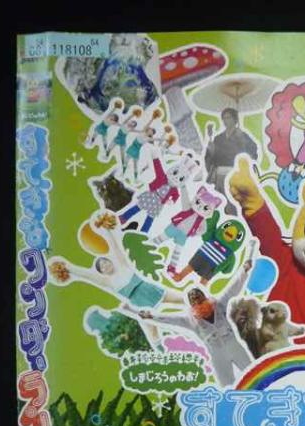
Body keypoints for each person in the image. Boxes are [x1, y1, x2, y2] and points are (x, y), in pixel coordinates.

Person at [48, 210, 183, 350]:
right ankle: (162, 352)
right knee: (152, 330)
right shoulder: (108, 282)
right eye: (102, 267)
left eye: (105, 262)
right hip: (137, 302)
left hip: (147, 288)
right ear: (102, 273)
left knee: (179, 299)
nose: (105, 266)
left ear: (111, 261)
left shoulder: (122, 265)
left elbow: (115, 246)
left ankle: (196, 307)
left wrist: (106, 229)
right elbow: (86, 275)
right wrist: (69, 269)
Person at [128, 260, 254, 387]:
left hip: (233, 344)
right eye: (194, 301)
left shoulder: (219, 305)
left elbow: (232, 289)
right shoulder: (191, 321)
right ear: (192, 306)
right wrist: (151, 316)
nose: (198, 301)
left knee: (253, 373)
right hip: (217, 352)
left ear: (205, 297)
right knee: (226, 385)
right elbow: (171, 319)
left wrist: (244, 270)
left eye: (199, 298)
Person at [204, 108, 258, 214]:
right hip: (220, 174)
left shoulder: (242, 136)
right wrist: (211, 151)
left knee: (233, 202)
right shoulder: (218, 138)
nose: (225, 120)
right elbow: (211, 158)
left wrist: (242, 143)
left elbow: (252, 152)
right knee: (220, 201)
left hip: (235, 174)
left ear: (235, 119)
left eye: (228, 117)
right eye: (224, 118)